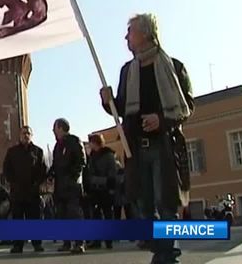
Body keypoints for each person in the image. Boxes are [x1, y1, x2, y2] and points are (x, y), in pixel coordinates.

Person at [100, 13, 194, 264]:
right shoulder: (127, 71)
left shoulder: (173, 67)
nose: (126, 37)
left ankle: (167, 256)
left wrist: (161, 120)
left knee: (166, 205)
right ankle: (161, 251)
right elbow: (120, 110)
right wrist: (107, 100)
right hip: (136, 149)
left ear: (145, 33)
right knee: (142, 205)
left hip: (164, 145)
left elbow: (187, 107)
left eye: (129, 31)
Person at [2, 125, 46, 253]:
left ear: (31, 135)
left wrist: (37, 184)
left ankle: (37, 243)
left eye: (28, 133)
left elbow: (42, 170)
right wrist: (13, 183)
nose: (26, 135)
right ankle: (18, 245)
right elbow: (6, 169)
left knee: (34, 219)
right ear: (20, 135)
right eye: (23, 133)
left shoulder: (38, 151)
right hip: (17, 192)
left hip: (33, 192)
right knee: (18, 219)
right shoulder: (12, 152)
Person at [49, 118, 86, 254]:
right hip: (60, 187)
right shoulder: (57, 146)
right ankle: (66, 242)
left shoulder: (74, 141)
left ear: (61, 128)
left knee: (74, 214)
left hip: (72, 187)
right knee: (62, 214)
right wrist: (50, 175)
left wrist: (73, 178)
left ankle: (79, 243)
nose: (53, 131)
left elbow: (81, 162)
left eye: (55, 128)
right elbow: (55, 164)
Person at [87, 133, 117, 250]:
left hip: (106, 189)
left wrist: (100, 181)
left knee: (108, 214)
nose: (89, 145)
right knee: (96, 215)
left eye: (91, 142)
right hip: (95, 191)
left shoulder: (108, 155)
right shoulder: (93, 155)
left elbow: (112, 175)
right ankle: (97, 240)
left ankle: (109, 240)